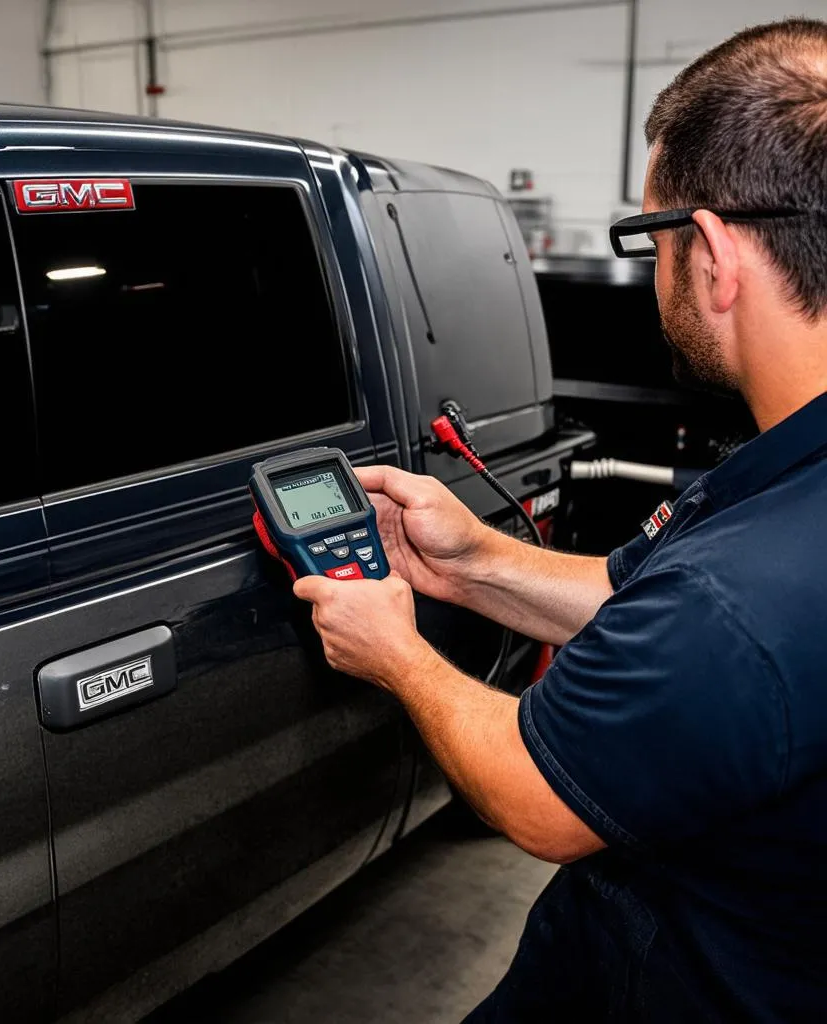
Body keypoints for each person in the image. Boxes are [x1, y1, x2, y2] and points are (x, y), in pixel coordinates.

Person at [294, 19, 827, 1022]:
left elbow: (538, 798)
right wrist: (473, 563)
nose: (650, 271)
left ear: (709, 254)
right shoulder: (782, 489)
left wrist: (397, 652)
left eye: (650, 235)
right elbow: (649, 611)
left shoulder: (746, 592)